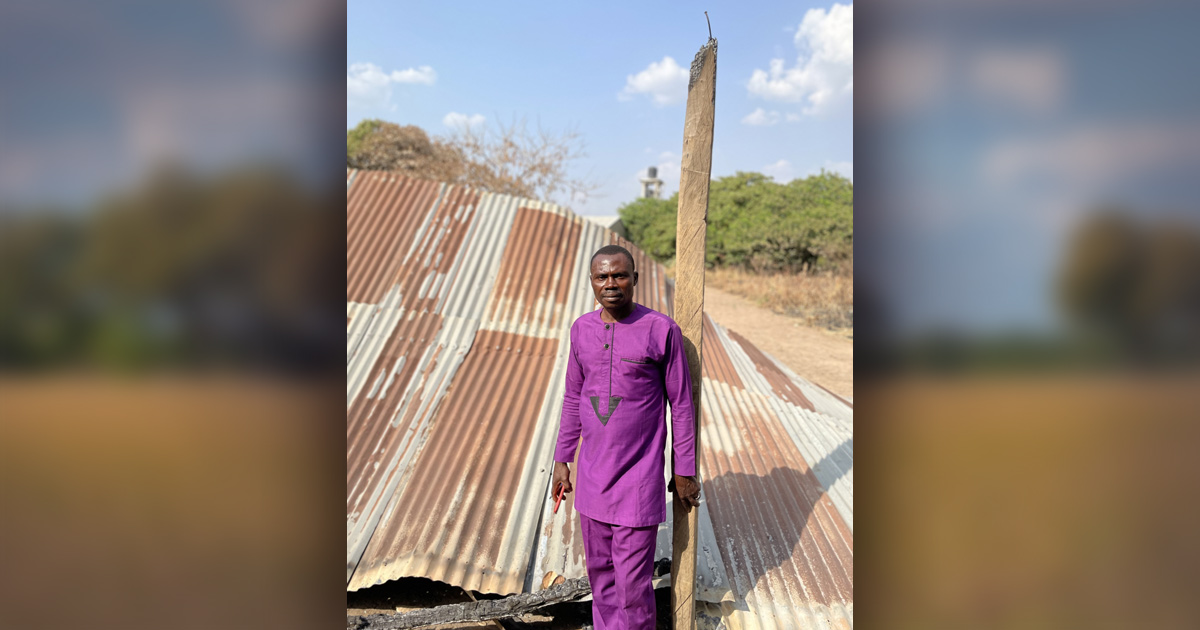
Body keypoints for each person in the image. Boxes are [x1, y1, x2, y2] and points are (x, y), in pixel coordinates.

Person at [552, 244, 702, 630]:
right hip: (590, 479)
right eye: (602, 277)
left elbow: (682, 404)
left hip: (637, 482)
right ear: (591, 282)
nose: (611, 284)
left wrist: (684, 469)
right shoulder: (581, 329)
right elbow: (573, 395)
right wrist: (562, 459)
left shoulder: (661, 330)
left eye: (620, 275)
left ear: (635, 279)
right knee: (601, 582)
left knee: (633, 590)